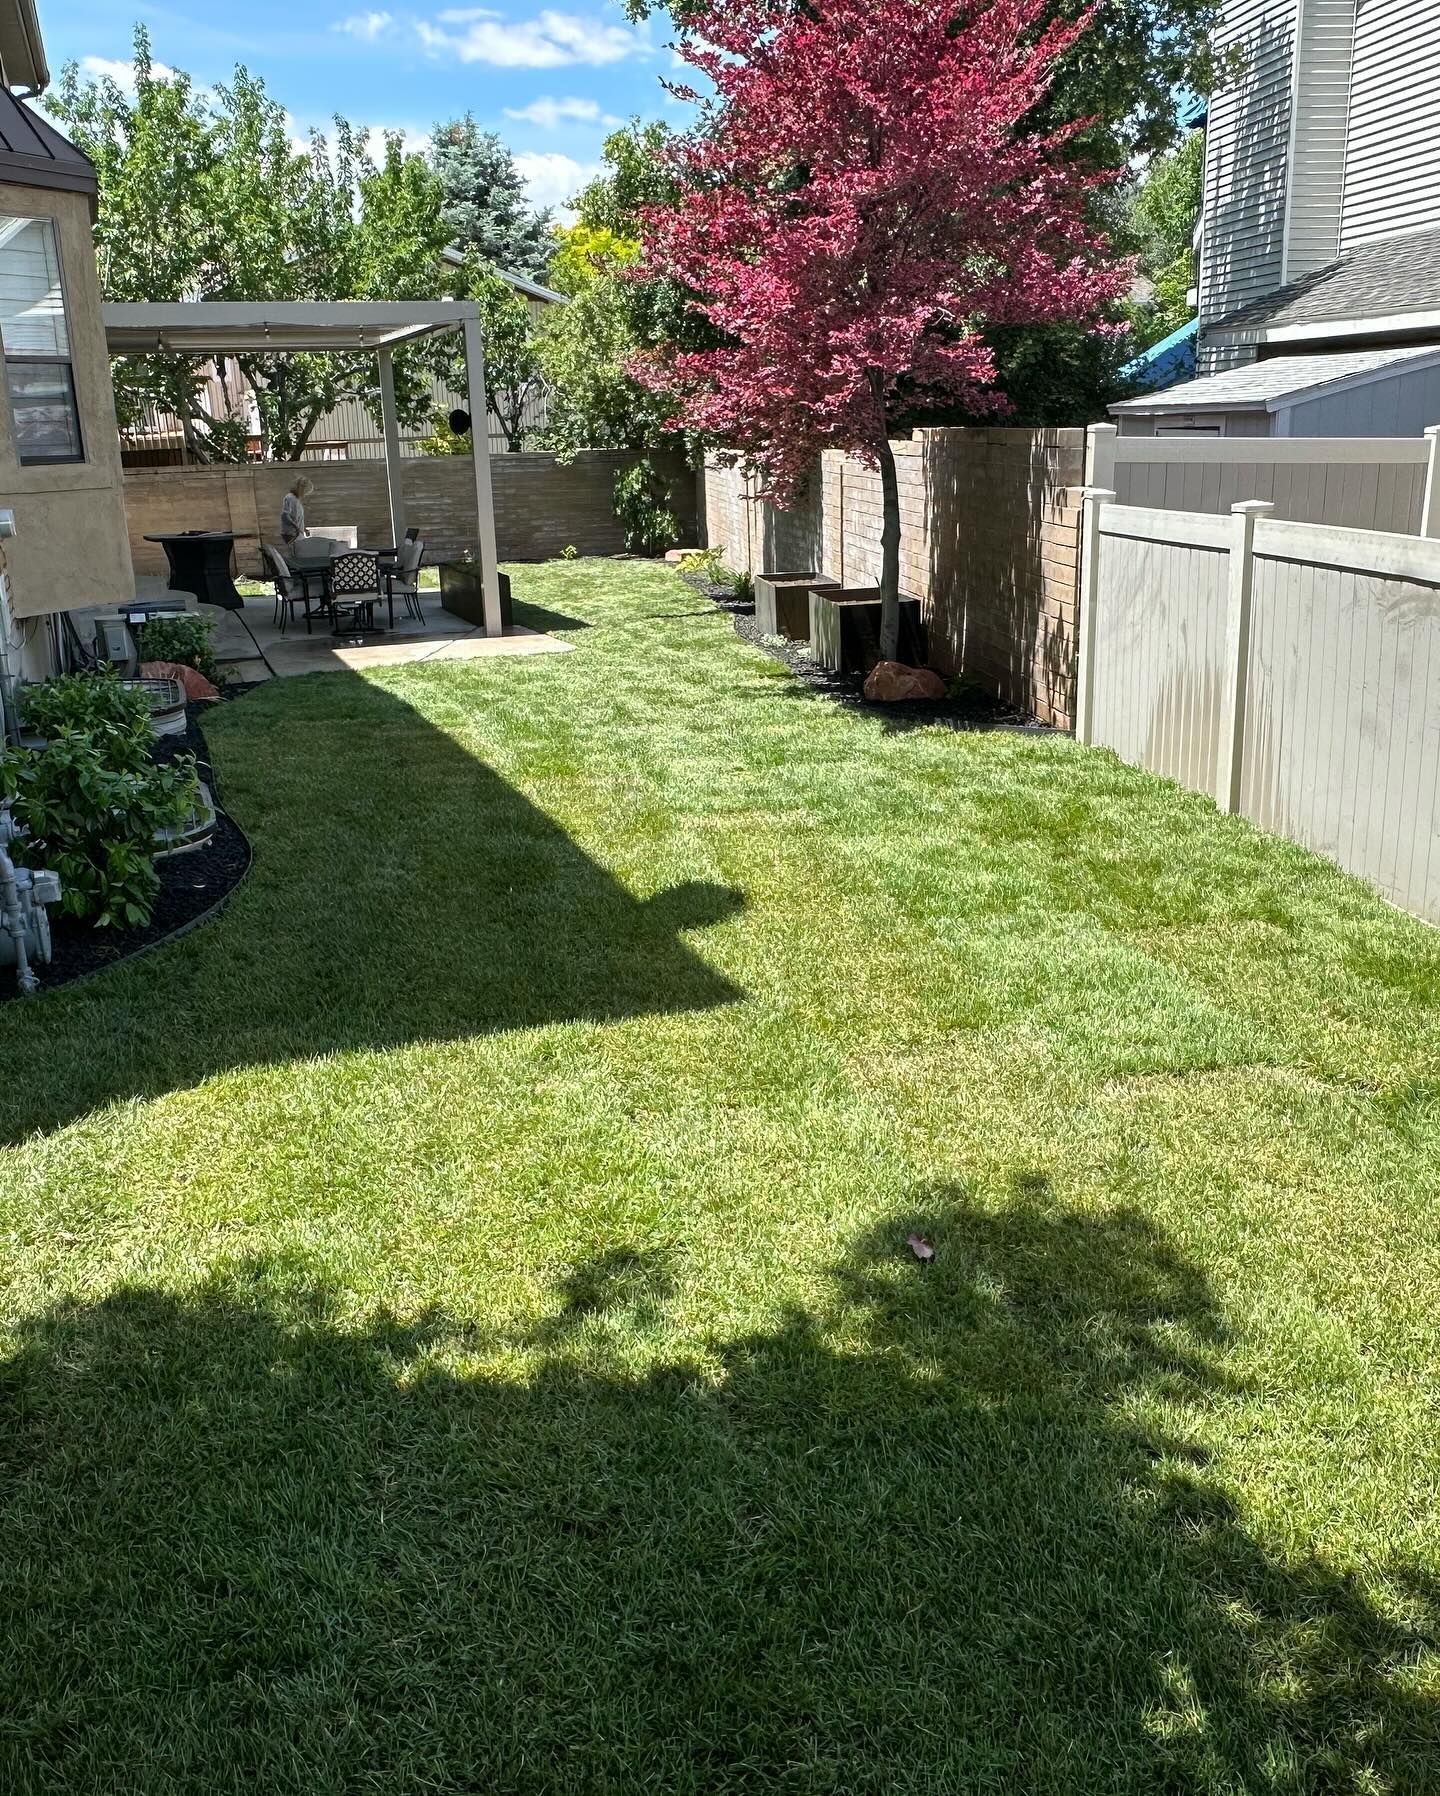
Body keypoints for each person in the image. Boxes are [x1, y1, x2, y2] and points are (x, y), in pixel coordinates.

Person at [280, 476, 314, 549]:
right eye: (306, 492)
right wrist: (296, 528)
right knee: (298, 552)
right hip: (291, 534)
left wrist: (304, 529)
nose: (305, 494)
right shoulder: (289, 498)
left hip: (297, 533)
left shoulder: (297, 500)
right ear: (301, 489)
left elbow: (297, 518)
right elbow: (285, 516)